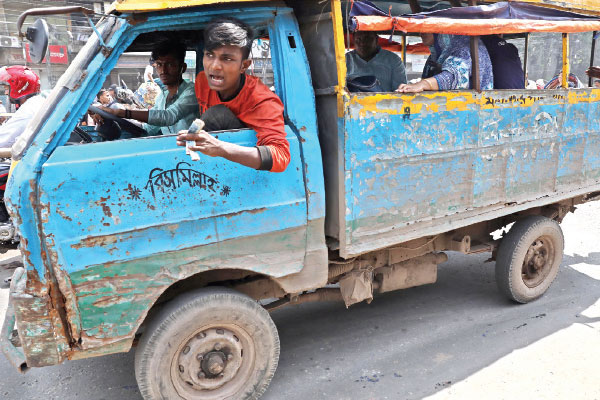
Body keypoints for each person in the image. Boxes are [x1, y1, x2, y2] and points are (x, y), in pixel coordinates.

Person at [176, 17, 290, 173]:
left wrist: (220, 148)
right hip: (213, 169)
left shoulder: (262, 100)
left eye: (227, 58)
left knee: (217, 114)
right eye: (209, 55)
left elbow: (281, 156)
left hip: (245, 172)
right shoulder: (202, 81)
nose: (214, 66)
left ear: (244, 65)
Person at [95, 40, 199, 136]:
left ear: (183, 68)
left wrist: (122, 112)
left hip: (191, 149)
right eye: (159, 65)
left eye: (170, 64)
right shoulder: (162, 96)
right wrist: (114, 116)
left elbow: (168, 117)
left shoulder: (191, 92)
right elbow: (149, 129)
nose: (163, 71)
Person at [397, 34, 493, 93]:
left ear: (440, 29)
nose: (421, 33)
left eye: (426, 28)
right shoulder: (435, 56)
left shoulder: (464, 47)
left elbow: (454, 77)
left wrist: (422, 84)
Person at [0, 66, 44, 148]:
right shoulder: (37, 102)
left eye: (7, 89)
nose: (6, 93)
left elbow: (3, 140)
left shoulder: (28, 110)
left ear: (20, 88)